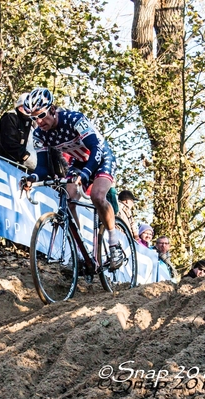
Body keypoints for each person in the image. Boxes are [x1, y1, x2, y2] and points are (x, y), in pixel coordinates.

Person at [21, 88, 124, 270]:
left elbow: (96, 148)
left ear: (52, 109)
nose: (38, 121)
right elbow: (43, 167)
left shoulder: (74, 119)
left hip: (100, 157)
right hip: (79, 162)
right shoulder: (39, 134)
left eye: (42, 115)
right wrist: (32, 177)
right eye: (33, 118)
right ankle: (80, 252)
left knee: (98, 197)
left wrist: (85, 174)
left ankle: (114, 244)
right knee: (69, 201)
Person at [0, 92, 35, 170]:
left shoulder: (32, 122)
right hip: (10, 166)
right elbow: (8, 143)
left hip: (28, 169)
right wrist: (25, 157)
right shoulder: (10, 118)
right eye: (25, 107)